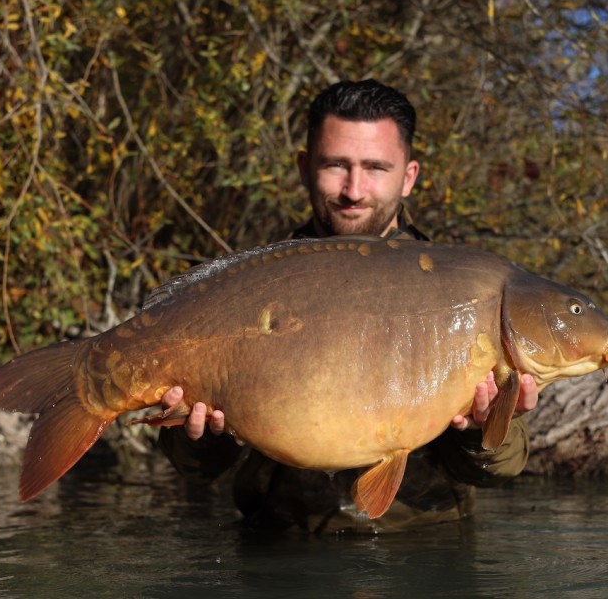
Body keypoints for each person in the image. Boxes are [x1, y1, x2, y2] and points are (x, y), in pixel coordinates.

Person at [156, 79, 539, 533]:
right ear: (304, 167)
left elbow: (502, 470)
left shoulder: (460, 288)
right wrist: (208, 437)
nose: (354, 190)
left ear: (409, 176)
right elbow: (194, 470)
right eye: (336, 165)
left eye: (376, 167)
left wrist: (482, 428)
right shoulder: (251, 288)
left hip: (427, 549)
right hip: (282, 551)